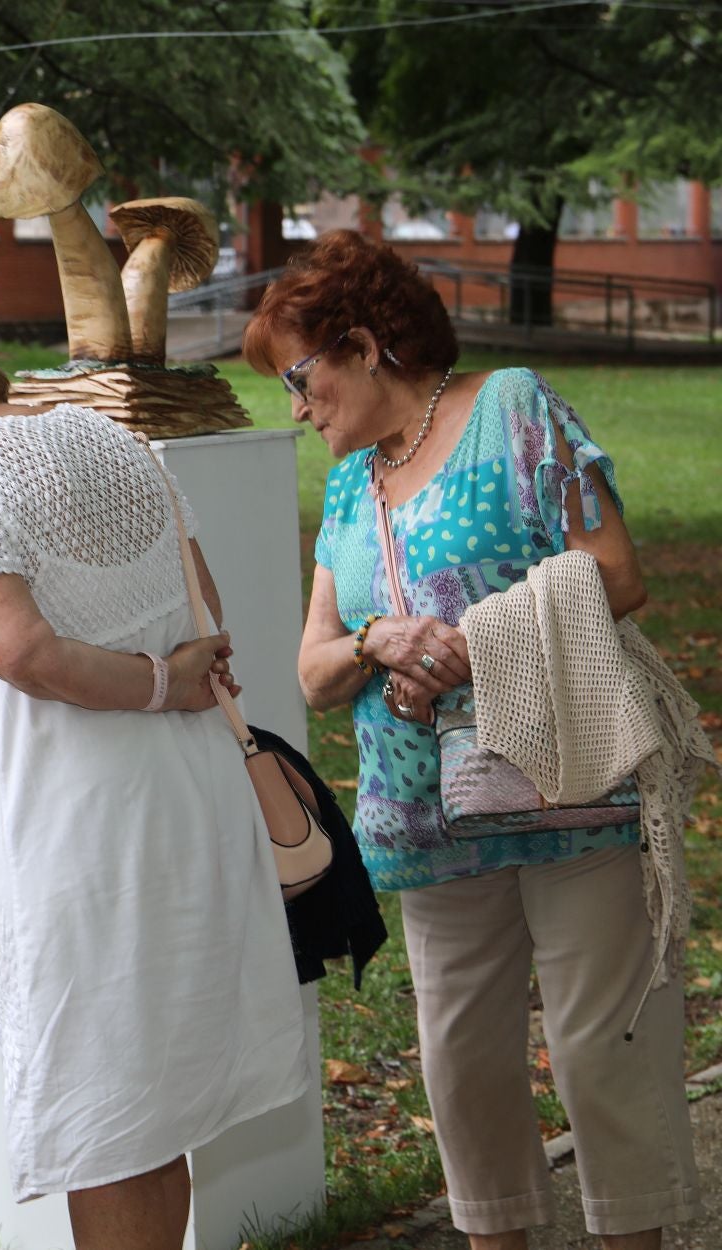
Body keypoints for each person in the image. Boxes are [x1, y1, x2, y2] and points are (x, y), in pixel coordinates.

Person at [0, 288, 309, 1250]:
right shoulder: (113, 440)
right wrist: (170, 675)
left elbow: (22, 653)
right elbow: (201, 597)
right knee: (154, 1098)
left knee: (106, 1113)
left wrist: (159, 683)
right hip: (186, 803)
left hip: (79, 827)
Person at [246, 229, 699, 1249]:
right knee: (463, 1069)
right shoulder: (352, 487)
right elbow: (315, 670)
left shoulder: (515, 409)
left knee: (602, 1054)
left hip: (568, 784)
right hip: (425, 819)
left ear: (362, 344)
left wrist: (474, 641)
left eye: (301, 375)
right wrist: (378, 636)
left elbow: (616, 573)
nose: (299, 405)